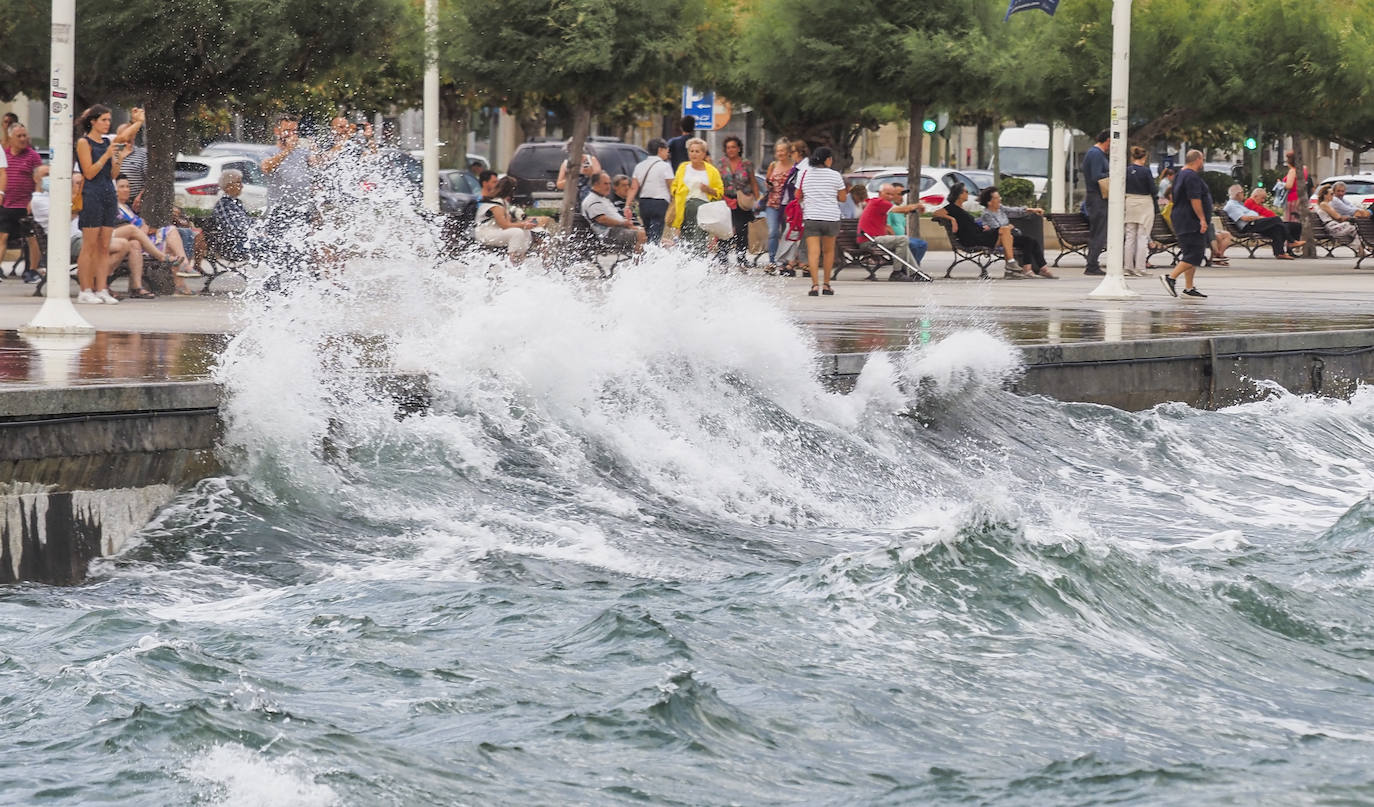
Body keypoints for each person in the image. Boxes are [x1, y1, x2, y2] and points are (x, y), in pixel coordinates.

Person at [74, 106, 144, 304]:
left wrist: (118, 160)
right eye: (104, 119)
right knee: (90, 245)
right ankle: (85, 289)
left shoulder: (108, 142)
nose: (107, 123)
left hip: (108, 194)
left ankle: (101, 288)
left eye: (108, 120)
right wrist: (106, 155)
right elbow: (89, 173)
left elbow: (112, 174)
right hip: (92, 195)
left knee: (104, 246)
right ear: (93, 121)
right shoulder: (84, 142)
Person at [115, 175, 196, 296]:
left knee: (179, 238)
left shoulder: (127, 208)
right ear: (114, 190)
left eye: (127, 186)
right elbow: (125, 230)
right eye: (122, 187)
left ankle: (180, 284)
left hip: (146, 241)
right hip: (137, 244)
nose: (126, 189)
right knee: (172, 232)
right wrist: (143, 228)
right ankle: (184, 271)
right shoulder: (115, 209)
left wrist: (146, 227)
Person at [931, 183, 1027, 278]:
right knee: (1005, 230)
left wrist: (982, 227)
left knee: (1007, 235)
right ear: (959, 194)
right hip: (972, 239)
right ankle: (1010, 263)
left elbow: (968, 225)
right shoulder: (952, 207)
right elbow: (936, 213)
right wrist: (952, 219)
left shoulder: (960, 208)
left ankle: (1010, 269)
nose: (968, 193)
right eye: (966, 191)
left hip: (979, 235)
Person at [797, 146, 847, 296]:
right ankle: (826, 285)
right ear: (827, 160)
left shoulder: (804, 173)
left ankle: (814, 286)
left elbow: (797, 195)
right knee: (828, 251)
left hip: (811, 217)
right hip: (831, 217)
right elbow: (843, 198)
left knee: (813, 252)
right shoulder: (835, 175)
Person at [1162, 150, 1210, 299]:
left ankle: (1189, 288)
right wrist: (1202, 218)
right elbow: (1194, 199)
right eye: (1202, 160)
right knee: (1196, 253)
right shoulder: (1191, 176)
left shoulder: (1180, 175)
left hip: (1182, 218)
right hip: (1190, 220)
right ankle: (1171, 277)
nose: (1202, 163)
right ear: (1198, 160)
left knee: (1189, 253)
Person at [977, 187, 1054, 278]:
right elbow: (996, 229)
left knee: (1032, 241)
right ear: (989, 202)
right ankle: (1027, 269)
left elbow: (1015, 211)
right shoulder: (987, 214)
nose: (1000, 199)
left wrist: (1032, 210)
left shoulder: (1001, 209)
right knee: (1027, 241)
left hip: (1010, 236)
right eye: (997, 198)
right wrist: (1008, 227)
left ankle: (1042, 268)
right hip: (999, 239)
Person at [0, 124, 44, 282]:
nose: (23, 139)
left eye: (25, 135)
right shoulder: (3, 155)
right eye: (19, 136)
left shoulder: (33, 156)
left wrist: (34, 200)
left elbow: (40, 180)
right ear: (10, 138)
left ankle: (32, 270)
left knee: (31, 238)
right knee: (2, 237)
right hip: (6, 204)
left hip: (25, 205)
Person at [857, 183, 923, 281]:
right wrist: (918, 205)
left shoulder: (879, 203)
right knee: (903, 239)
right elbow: (902, 209)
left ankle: (915, 272)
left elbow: (903, 211)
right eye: (887, 194)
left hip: (875, 239)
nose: (890, 197)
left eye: (892, 194)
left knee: (903, 243)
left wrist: (912, 208)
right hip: (870, 240)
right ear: (880, 193)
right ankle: (896, 273)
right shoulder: (879, 202)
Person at [669, 137, 723, 253]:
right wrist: (675, 193)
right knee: (685, 242)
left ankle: (699, 266)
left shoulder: (712, 171)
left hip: (702, 209)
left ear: (703, 153)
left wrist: (708, 189)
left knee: (699, 241)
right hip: (684, 209)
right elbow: (675, 185)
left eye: (697, 151)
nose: (694, 154)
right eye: (691, 151)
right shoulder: (683, 167)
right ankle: (687, 267)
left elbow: (719, 192)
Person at [476, 172, 542, 262]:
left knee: (524, 231)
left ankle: (521, 258)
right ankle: (512, 261)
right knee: (516, 232)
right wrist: (524, 224)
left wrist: (525, 224)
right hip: (485, 233)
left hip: (494, 230)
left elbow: (508, 222)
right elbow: (504, 225)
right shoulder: (495, 204)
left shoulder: (502, 202)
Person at [1225, 185, 1304, 260]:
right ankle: (1291, 241)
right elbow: (1244, 218)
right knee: (1276, 219)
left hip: (1254, 223)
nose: (1244, 195)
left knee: (1279, 227)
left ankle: (1280, 253)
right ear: (1238, 194)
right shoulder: (1231, 205)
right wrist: (1259, 217)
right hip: (1249, 225)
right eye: (1242, 193)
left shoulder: (1238, 204)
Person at [718, 136, 759, 268]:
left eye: (733, 147)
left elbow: (753, 182)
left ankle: (741, 257)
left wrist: (757, 200)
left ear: (739, 148)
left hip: (742, 201)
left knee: (742, 230)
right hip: (726, 200)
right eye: (728, 147)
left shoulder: (746, 163)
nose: (731, 150)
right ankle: (722, 256)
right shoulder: (721, 164)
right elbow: (717, 182)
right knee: (725, 230)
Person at [581, 171, 646, 253]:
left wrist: (627, 225)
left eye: (609, 183)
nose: (609, 186)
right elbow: (602, 219)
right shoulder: (592, 200)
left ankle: (659, 258)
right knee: (642, 235)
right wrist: (623, 224)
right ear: (596, 184)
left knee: (650, 234)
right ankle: (639, 262)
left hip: (616, 230)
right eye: (605, 184)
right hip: (609, 234)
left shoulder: (602, 199)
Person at [628, 138, 673, 245]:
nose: (668, 153)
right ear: (660, 150)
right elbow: (671, 186)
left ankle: (648, 255)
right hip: (659, 203)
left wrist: (627, 205)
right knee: (656, 234)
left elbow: (633, 188)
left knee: (648, 234)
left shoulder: (640, 166)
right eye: (667, 150)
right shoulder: (665, 166)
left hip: (644, 203)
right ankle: (653, 257)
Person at [1122, 146, 1158, 277]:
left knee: (1130, 236)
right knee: (1142, 236)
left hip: (1130, 202)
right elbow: (1153, 189)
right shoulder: (1146, 172)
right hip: (1144, 203)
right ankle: (1140, 268)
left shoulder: (1126, 170)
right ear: (1144, 158)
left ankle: (1127, 267)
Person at [1081, 129, 1111, 275]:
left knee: (1099, 231)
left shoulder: (1096, 154)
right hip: (1097, 197)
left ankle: (1092, 262)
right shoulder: (1096, 154)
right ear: (1108, 140)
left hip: (1097, 197)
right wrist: (1113, 173)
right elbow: (1096, 176)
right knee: (1099, 231)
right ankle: (1092, 264)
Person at [762, 139, 794, 270]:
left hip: (788, 204)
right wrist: (768, 185)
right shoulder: (773, 165)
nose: (780, 153)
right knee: (773, 232)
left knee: (788, 233)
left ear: (788, 152)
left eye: (782, 150)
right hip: (773, 203)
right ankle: (772, 260)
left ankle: (785, 261)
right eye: (778, 151)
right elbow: (767, 181)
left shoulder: (794, 166)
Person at [210, 169, 253, 260]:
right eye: (238, 182)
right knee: (275, 246)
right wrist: (254, 233)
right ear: (228, 186)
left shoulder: (236, 202)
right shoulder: (224, 204)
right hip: (235, 244)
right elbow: (234, 228)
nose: (242, 186)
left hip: (245, 240)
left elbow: (247, 223)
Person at [886, 182, 928, 268]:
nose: (901, 197)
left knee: (922, 244)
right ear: (892, 195)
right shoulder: (889, 209)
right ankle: (911, 269)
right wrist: (896, 239)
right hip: (896, 239)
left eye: (902, 194)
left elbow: (905, 220)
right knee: (914, 245)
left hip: (903, 238)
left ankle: (913, 268)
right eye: (899, 194)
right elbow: (888, 227)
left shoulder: (900, 209)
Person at [1314, 183, 1364, 254]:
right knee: (1355, 228)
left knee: (1357, 228)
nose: (1333, 196)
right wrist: (1346, 217)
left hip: (1334, 225)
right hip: (1332, 227)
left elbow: (1341, 214)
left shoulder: (1327, 204)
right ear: (1325, 195)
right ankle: (1356, 246)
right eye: (1331, 194)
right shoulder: (1324, 204)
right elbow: (1337, 216)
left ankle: (1361, 250)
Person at [1281, 150, 1309, 223]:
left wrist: (1281, 184)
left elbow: (1289, 185)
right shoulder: (1304, 169)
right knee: (1298, 219)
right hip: (1300, 197)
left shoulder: (1293, 171)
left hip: (1292, 198)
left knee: (1290, 220)